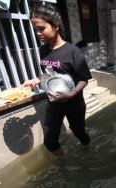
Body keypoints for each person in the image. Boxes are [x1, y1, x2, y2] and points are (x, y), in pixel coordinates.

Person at [23, 3, 92, 157]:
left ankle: (88, 150)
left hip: (73, 103)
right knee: (49, 141)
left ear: (56, 26)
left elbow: (84, 79)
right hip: (53, 102)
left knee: (78, 132)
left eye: (41, 28)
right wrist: (36, 80)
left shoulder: (72, 52)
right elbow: (49, 74)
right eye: (36, 30)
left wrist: (71, 94)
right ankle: (63, 166)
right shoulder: (43, 50)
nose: (38, 33)